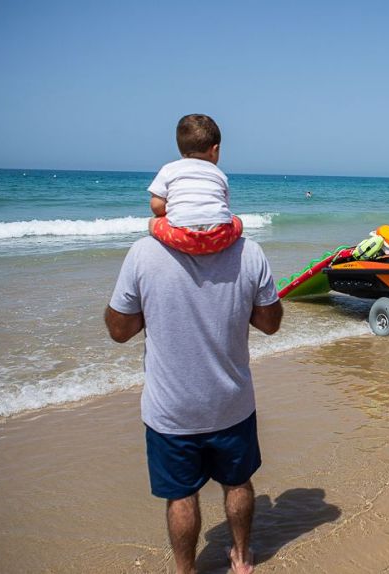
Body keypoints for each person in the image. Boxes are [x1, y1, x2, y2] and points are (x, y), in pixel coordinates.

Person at [105, 211, 283, 573]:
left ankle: (186, 571)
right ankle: (242, 557)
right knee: (237, 484)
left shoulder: (143, 253)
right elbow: (270, 323)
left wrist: (149, 309)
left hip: (171, 410)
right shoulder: (249, 252)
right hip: (230, 403)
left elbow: (119, 330)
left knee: (181, 496)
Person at [148, 114, 243, 256]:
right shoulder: (219, 174)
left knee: (153, 222)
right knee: (237, 221)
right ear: (215, 149)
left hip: (183, 239)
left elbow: (157, 206)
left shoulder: (169, 169)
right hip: (218, 239)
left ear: (180, 149)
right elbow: (223, 207)